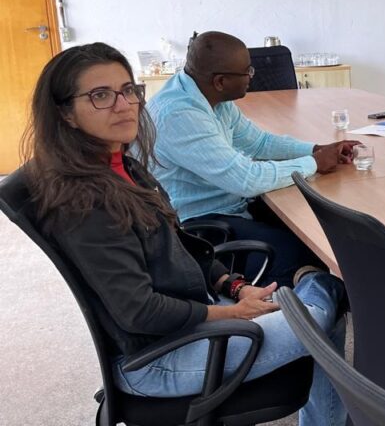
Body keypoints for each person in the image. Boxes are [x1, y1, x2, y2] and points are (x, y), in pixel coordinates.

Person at [21, 42, 347, 425]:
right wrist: (228, 312)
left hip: (191, 318)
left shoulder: (121, 167)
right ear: (66, 114)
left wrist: (234, 286)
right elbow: (139, 311)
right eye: (100, 95)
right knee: (327, 299)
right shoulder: (86, 202)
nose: (124, 105)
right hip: (163, 357)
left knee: (316, 293)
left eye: (128, 90)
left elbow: (179, 246)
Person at [147, 31, 358, 287]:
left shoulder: (210, 96)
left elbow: (260, 143)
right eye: (247, 72)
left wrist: (316, 149)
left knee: (319, 228)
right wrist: (314, 163)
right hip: (200, 227)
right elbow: (245, 179)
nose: (251, 77)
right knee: (302, 250)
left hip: (230, 205)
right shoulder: (179, 114)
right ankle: (304, 309)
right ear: (221, 81)